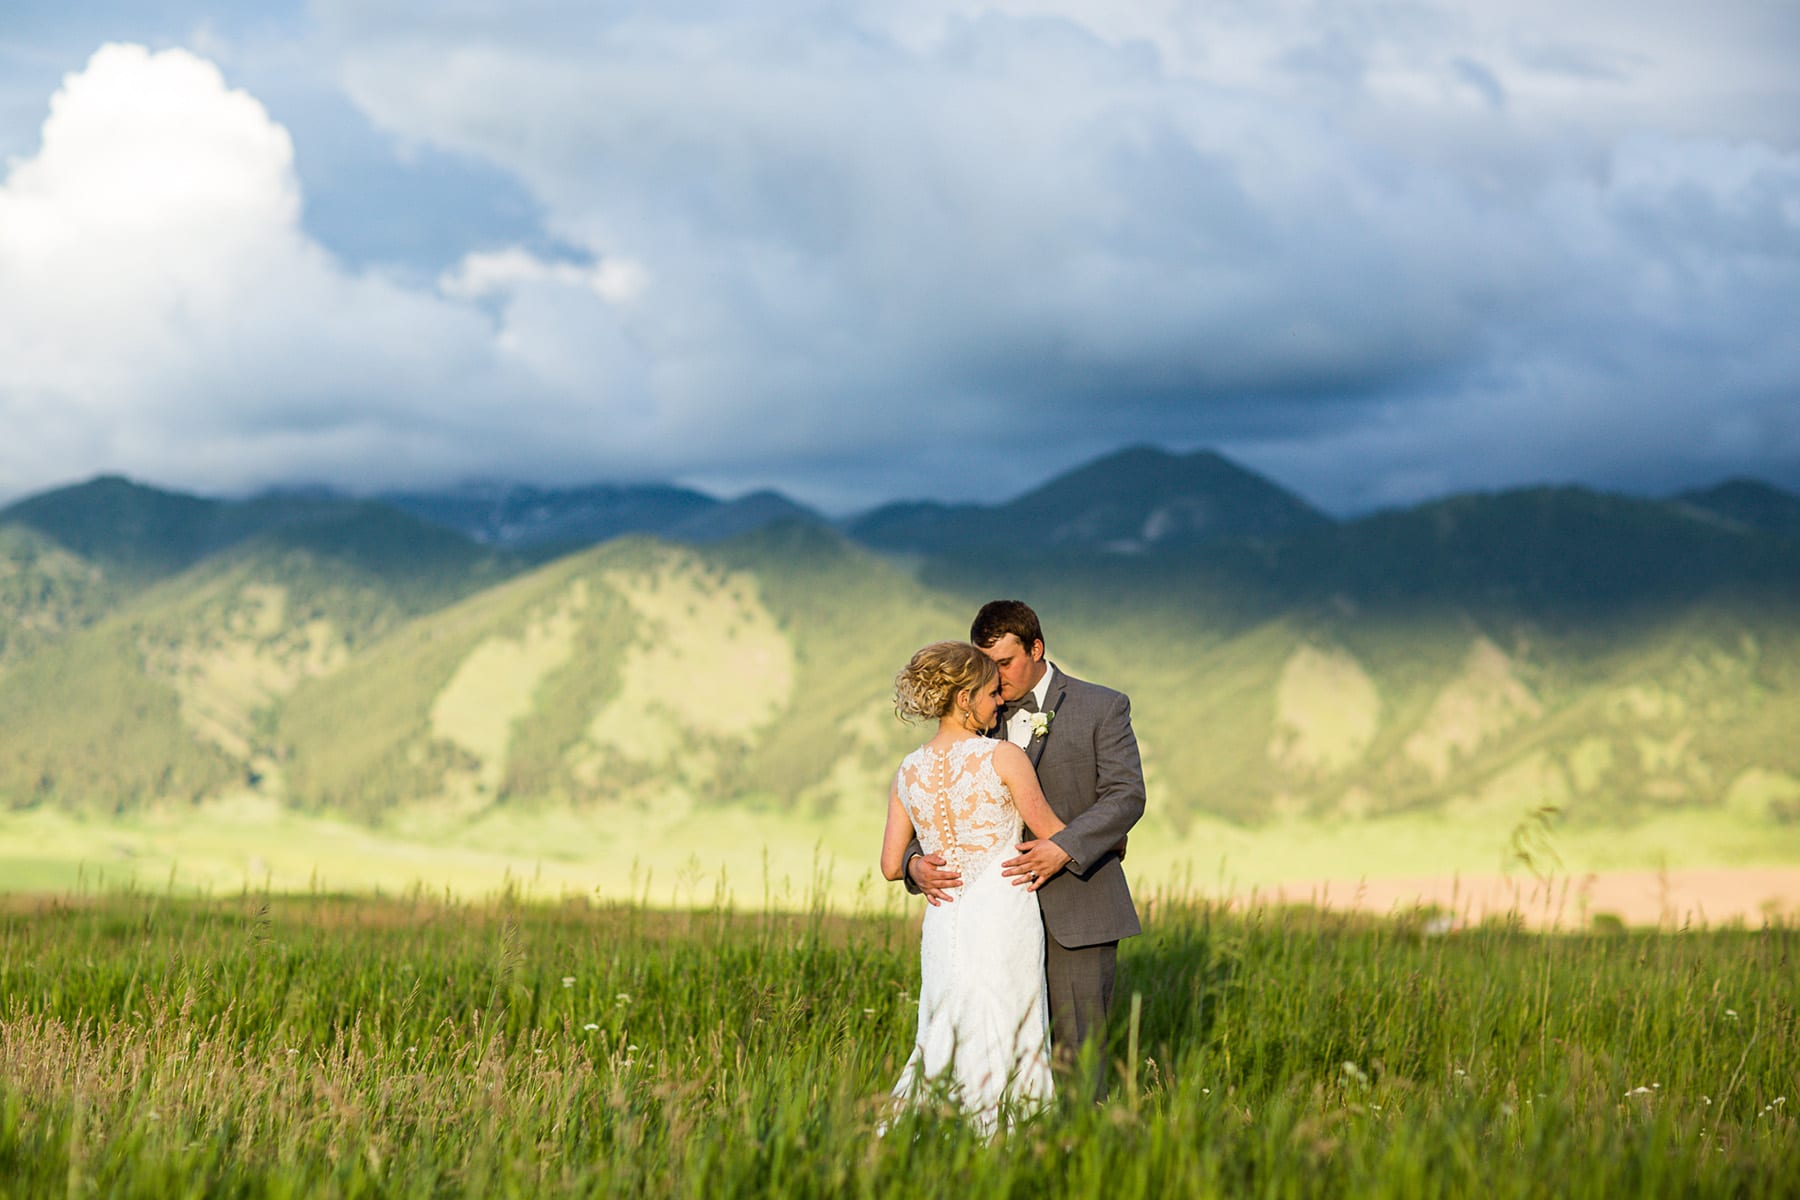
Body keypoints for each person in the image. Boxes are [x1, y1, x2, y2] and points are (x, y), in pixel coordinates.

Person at [903, 600, 1145, 1102]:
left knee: (1079, 1059)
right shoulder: (976, 711)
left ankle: (1082, 1162)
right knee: (992, 1051)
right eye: (985, 665)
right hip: (991, 925)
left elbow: (1126, 795)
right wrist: (912, 864)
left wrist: (1064, 847)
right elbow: (935, 800)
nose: (996, 676)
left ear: (1037, 649)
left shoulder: (1102, 706)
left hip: (1077, 905)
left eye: (1006, 664)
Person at [880, 641, 1067, 1133]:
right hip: (1005, 909)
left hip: (945, 915)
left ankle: (935, 1127)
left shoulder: (909, 768)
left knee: (944, 1020)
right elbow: (1051, 831)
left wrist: (918, 866)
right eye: (989, 693)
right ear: (964, 699)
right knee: (1012, 1019)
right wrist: (1111, 843)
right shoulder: (1003, 756)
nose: (998, 702)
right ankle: (1012, 1134)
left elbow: (889, 865)